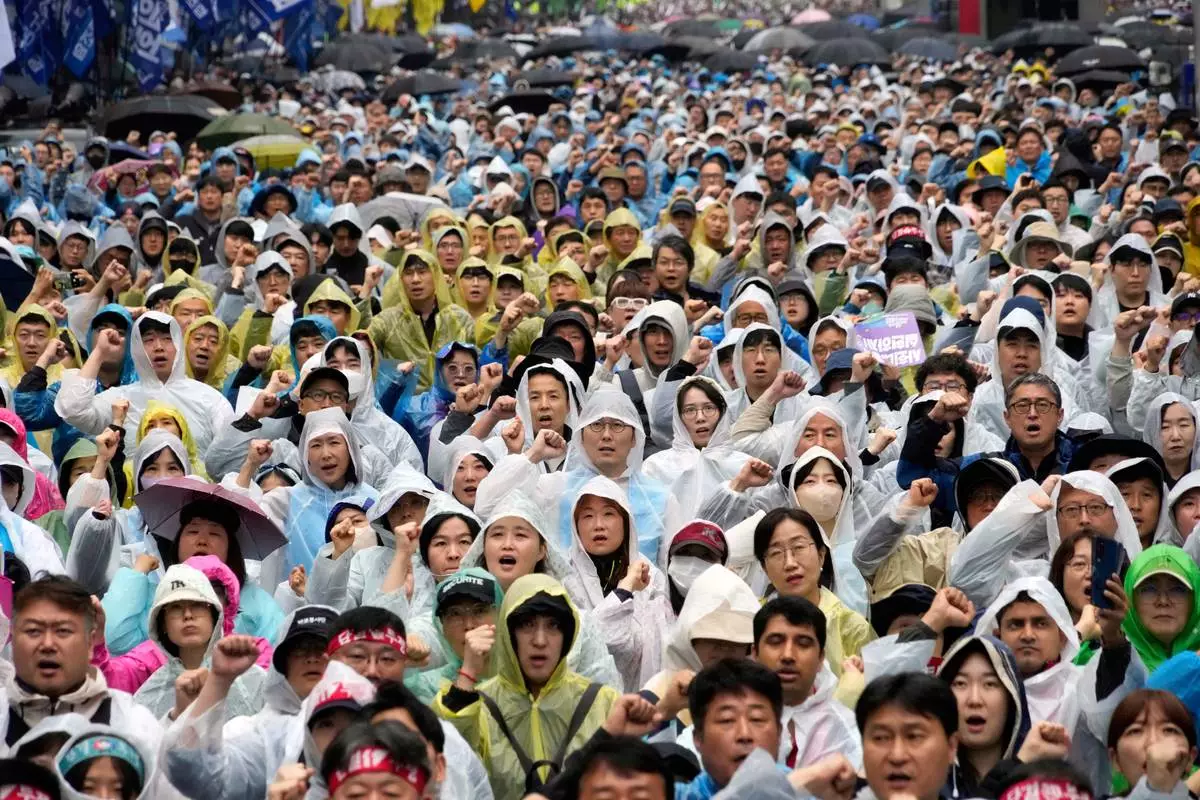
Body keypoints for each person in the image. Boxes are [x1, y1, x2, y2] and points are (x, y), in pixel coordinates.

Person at [431, 573, 622, 800]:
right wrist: (469, 672)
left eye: (553, 625)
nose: (540, 640)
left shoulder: (603, 702)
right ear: (509, 633)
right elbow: (451, 769)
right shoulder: (478, 705)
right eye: (527, 625)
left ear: (567, 634)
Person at [1, 576, 162, 756]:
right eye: (33, 631)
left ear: (91, 641)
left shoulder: (134, 726)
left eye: (63, 631)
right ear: (12, 637)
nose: (47, 644)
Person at [752, 595, 862, 770]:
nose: (788, 655)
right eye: (775, 642)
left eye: (803, 644)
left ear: (820, 658)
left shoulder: (846, 732)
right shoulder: (729, 722)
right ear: (755, 653)